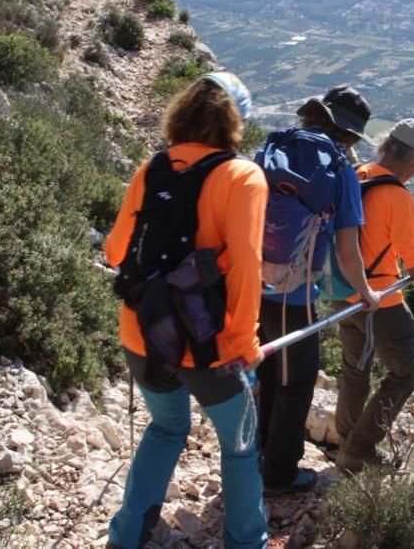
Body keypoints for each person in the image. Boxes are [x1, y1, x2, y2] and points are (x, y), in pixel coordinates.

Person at [105, 73, 269, 549]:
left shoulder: (152, 167)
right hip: (207, 343)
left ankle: (127, 539)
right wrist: (244, 344)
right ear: (235, 122)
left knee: (166, 427)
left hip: (142, 331)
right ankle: (246, 542)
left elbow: (117, 252)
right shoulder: (242, 176)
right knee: (239, 448)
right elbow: (245, 265)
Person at [257, 85, 381, 497]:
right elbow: (347, 250)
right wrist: (366, 292)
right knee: (298, 381)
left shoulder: (275, 147)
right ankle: (278, 474)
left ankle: (257, 456)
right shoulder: (339, 170)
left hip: (253, 283)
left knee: (271, 369)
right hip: (296, 297)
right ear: (348, 133)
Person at [334, 118, 414, 474]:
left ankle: (346, 440)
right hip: (381, 301)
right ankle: (359, 451)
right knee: (404, 374)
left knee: (355, 370)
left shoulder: (357, 173)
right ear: (411, 157)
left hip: (343, 292)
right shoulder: (396, 196)